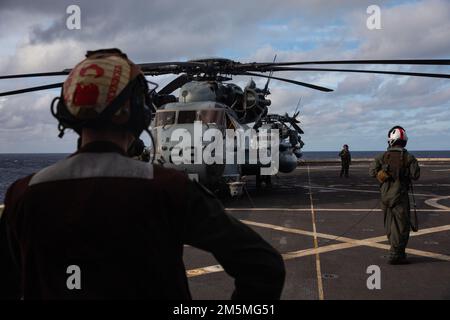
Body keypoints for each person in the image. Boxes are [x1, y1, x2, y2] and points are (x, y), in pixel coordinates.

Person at [0, 49, 285, 299]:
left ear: (66, 114)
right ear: (139, 113)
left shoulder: (23, 194)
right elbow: (262, 265)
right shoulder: (170, 189)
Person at [369, 126, 420, 265]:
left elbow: (372, 172)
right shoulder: (408, 157)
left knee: (389, 225)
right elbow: (416, 175)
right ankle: (396, 254)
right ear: (404, 141)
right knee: (402, 227)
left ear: (391, 141)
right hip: (400, 197)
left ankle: (395, 251)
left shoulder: (382, 157)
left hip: (385, 197)